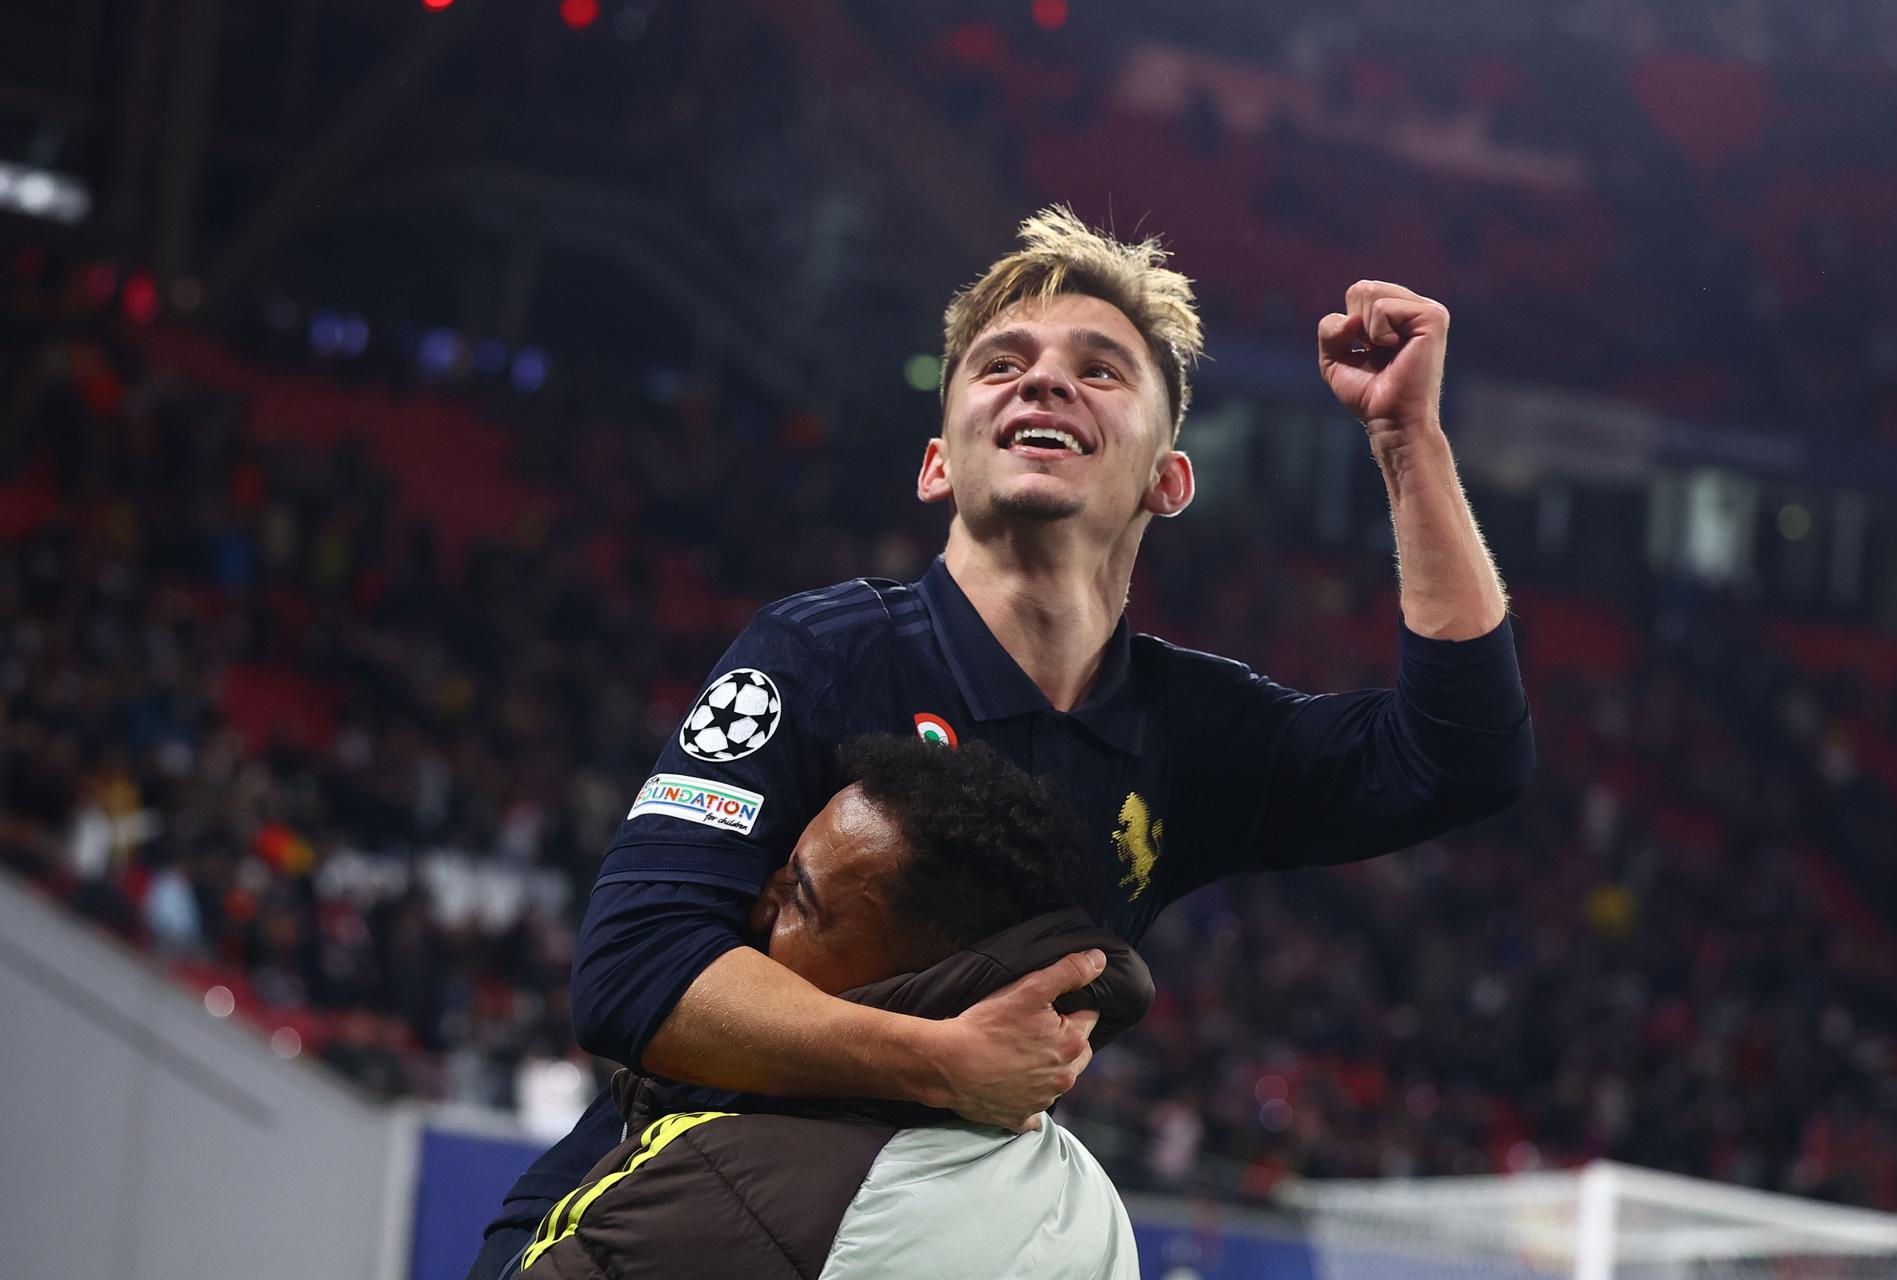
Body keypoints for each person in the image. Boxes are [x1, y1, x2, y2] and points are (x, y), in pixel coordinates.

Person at [469, 207, 1535, 1275]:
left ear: (1167, 480)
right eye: (1003, 362)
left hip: (912, 1231)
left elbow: (1461, 752)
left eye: (1101, 370)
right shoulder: (821, 651)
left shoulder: (1190, 731)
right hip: (657, 1214)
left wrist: (1408, 444)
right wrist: (939, 1061)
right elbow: (631, 968)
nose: (1044, 380)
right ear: (939, 463)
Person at [514, 734, 1153, 1279]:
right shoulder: (1092, 1204)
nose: (759, 906)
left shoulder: (720, 1186)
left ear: (923, 979)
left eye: (800, 898)